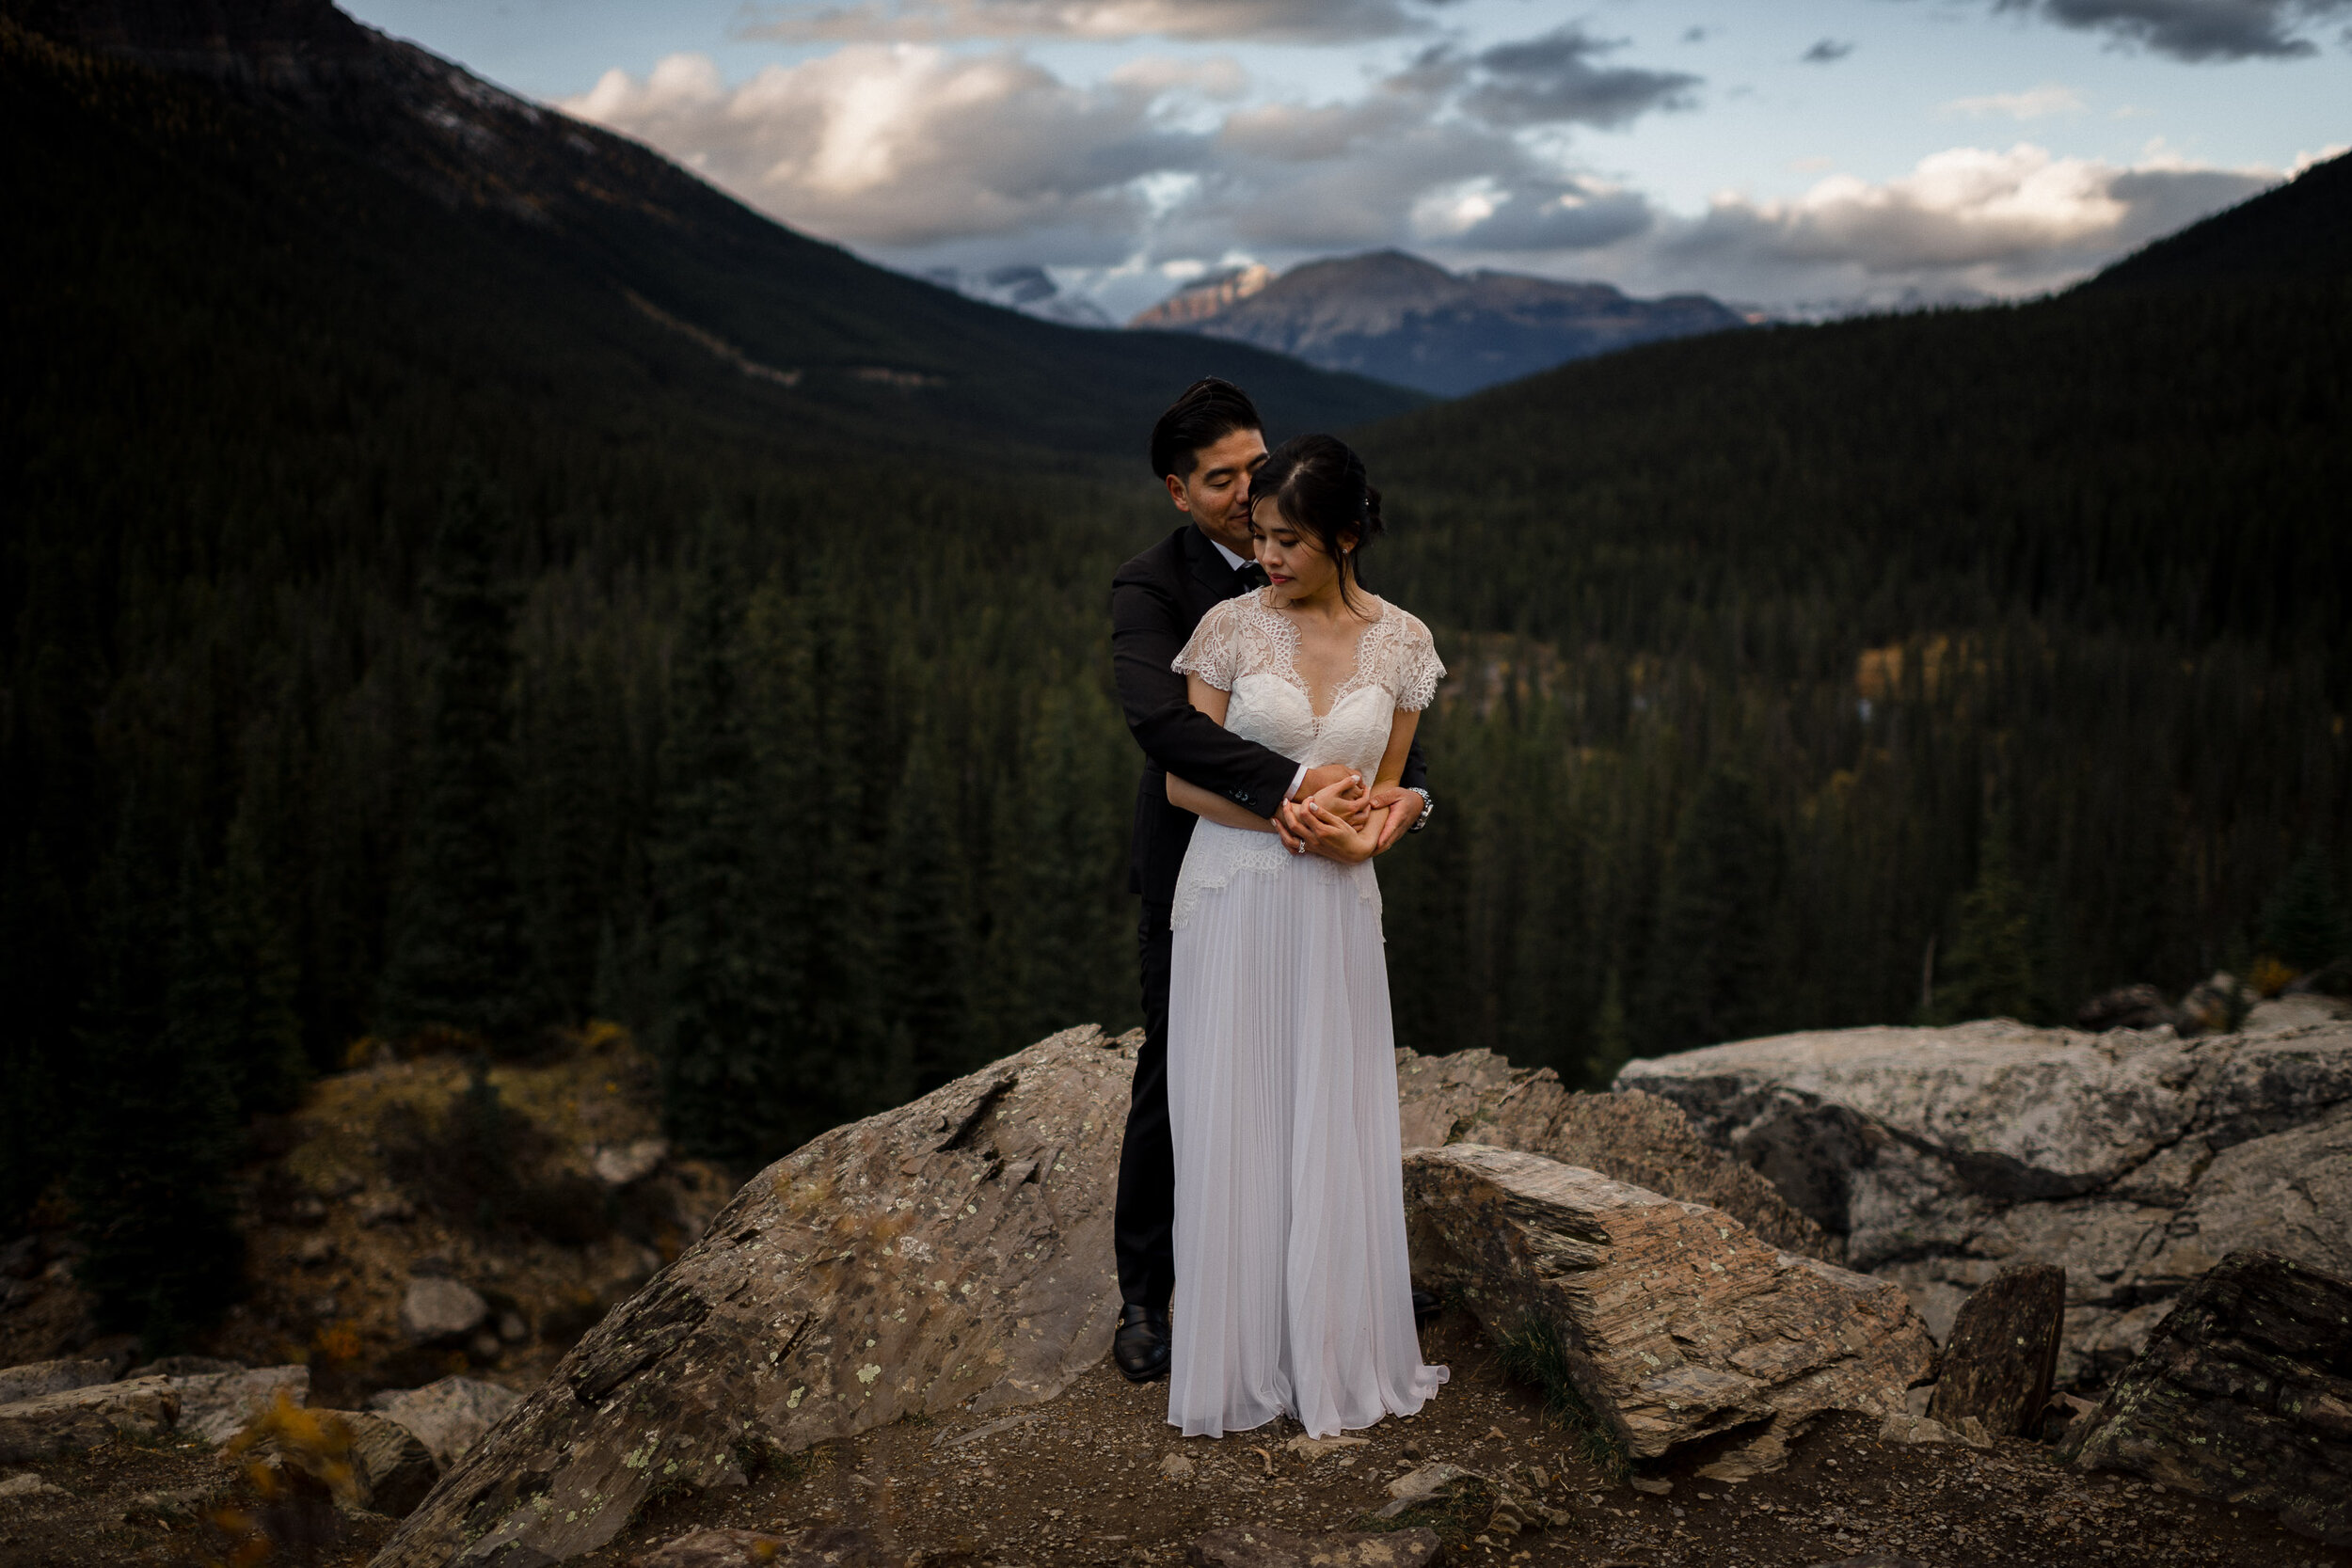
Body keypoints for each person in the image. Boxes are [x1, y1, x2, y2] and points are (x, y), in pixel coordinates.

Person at [1109, 380, 1433, 1386]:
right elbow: (1170, 740)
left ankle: (1334, 1295)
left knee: (1324, 1088)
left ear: (1338, 532)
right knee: (1192, 1083)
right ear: (1179, 490)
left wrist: (1396, 812)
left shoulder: (1398, 635)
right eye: (1228, 485)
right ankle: (1152, 1298)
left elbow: (1397, 773)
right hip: (1216, 874)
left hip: (1331, 890)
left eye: (1260, 476)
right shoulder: (1163, 592)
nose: (1251, 510)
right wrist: (1292, 800)